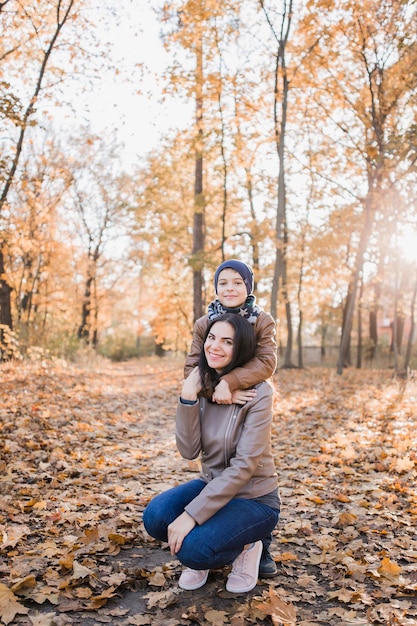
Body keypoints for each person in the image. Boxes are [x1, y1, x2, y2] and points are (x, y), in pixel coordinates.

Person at [143, 313, 280, 593]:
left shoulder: (259, 393)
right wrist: (189, 396)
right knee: (155, 517)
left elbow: (244, 467)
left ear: (240, 348)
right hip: (211, 483)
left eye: (227, 341)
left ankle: (247, 546)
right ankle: (216, 534)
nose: (215, 346)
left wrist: (192, 516)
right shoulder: (203, 385)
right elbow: (189, 450)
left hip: (254, 498)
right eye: (212, 337)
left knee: (194, 551)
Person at [184, 259, 278, 576]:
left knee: (250, 458)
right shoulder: (203, 324)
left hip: (249, 398)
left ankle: (258, 539)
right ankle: (218, 521)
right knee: (217, 458)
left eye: (238, 282)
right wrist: (216, 392)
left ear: (248, 287)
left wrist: (231, 382)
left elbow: (266, 363)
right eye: (223, 282)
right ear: (216, 287)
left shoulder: (261, 321)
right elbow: (192, 371)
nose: (230, 288)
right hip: (218, 399)